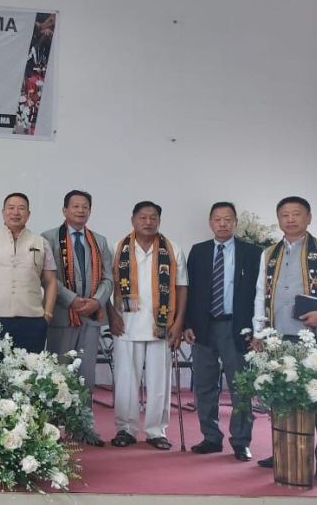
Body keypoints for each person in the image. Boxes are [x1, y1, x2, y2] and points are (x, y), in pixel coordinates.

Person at [253, 196, 317, 482]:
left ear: (308, 218)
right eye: (284, 214)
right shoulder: (268, 254)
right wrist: (260, 331)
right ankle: (283, 448)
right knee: (281, 397)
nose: (291, 219)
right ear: (278, 219)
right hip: (279, 337)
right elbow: (261, 295)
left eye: (297, 214)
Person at [184, 202, 260, 461]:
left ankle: (240, 441)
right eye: (218, 219)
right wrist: (187, 325)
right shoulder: (199, 251)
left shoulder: (252, 253)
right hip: (204, 327)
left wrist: (257, 329)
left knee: (240, 386)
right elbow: (190, 292)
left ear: (236, 222)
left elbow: (259, 294)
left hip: (237, 327)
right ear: (210, 222)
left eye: (228, 219)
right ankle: (211, 438)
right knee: (205, 385)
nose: (223, 224)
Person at [109, 201, 187, 451]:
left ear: (159, 221)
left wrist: (178, 323)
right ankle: (126, 428)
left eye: (153, 217)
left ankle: (156, 431)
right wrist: (112, 315)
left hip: (160, 325)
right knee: (125, 381)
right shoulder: (118, 247)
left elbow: (181, 288)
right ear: (133, 219)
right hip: (126, 324)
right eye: (142, 217)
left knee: (158, 382)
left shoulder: (172, 249)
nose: (148, 222)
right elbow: (106, 285)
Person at [41, 190, 113, 447]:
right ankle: (55, 428)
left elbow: (108, 278)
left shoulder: (100, 241)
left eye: (85, 207)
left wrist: (97, 301)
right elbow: (47, 278)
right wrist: (71, 299)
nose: (80, 211)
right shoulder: (48, 238)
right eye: (75, 206)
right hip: (61, 316)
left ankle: (84, 426)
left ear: (90, 211)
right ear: (64, 210)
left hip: (91, 318)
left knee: (86, 375)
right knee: (58, 374)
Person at [0, 193, 57, 353]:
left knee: (28, 372)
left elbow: (51, 281)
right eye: (11, 208)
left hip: (32, 320)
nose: (16, 212)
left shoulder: (40, 242)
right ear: (3, 212)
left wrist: (48, 313)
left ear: (28, 214)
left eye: (21, 208)